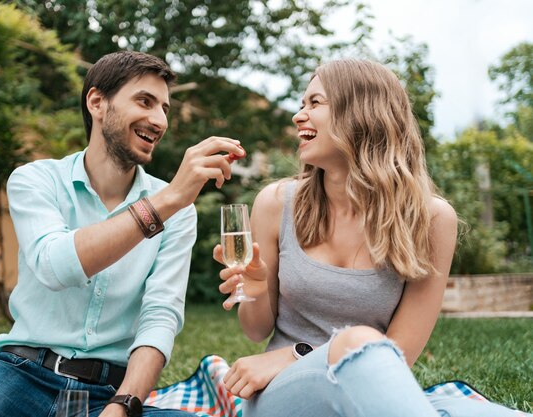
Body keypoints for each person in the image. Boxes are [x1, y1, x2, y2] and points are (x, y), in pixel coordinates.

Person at [0, 51, 245, 417]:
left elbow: (160, 317)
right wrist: (168, 200)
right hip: (19, 379)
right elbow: (57, 266)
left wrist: (124, 404)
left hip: (110, 392)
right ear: (97, 102)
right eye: (144, 102)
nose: (159, 120)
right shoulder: (36, 180)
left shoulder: (178, 212)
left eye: (164, 108)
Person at [213, 59, 531, 417]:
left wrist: (300, 352)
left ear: (361, 112)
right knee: (358, 340)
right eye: (302, 104)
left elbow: (400, 355)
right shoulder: (276, 204)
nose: (298, 115)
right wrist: (253, 293)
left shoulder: (431, 219)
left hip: (368, 388)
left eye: (314, 103)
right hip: (284, 395)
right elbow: (256, 331)